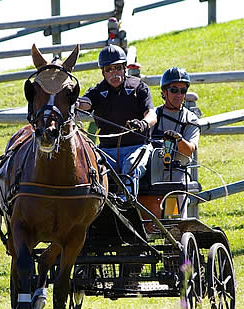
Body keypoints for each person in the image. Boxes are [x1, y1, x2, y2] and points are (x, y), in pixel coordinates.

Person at [78, 44, 156, 201]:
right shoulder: (97, 91)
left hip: (137, 147)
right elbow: (84, 104)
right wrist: (72, 101)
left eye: (118, 68)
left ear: (125, 68)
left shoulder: (139, 87)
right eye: (109, 69)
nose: (114, 73)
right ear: (103, 72)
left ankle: (126, 205)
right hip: (107, 151)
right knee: (95, 170)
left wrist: (143, 123)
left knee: (131, 166)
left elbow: (152, 114)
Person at [151, 67, 200, 218]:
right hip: (152, 172)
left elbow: (189, 150)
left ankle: (177, 228)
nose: (179, 94)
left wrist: (178, 139)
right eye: (174, 90)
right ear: (164, 92)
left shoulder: (190, 119)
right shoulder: (153, 115)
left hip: (177, 173)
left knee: (174, 218)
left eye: (182, 90)